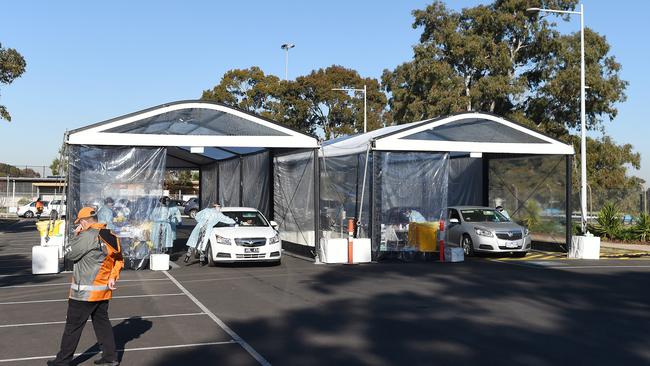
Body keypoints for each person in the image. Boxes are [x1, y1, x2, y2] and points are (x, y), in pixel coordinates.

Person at [48, 207, 124, 366]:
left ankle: (63, 361)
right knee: (102, 325)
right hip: (102, 291)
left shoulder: (87, 236)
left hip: (84, 293)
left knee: (73, 328)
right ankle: (110, 358)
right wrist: (112, 277)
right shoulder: (111, 235)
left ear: (83, 222)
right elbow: (119, 260)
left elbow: (69, 253)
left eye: (80, 222)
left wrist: (77, 234)